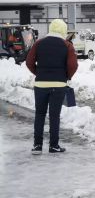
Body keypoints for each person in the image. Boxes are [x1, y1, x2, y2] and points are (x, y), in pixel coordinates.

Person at [25, 19, 78, 154]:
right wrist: (66, 77)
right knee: (54, 116)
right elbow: (73, 65)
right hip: (58, 85)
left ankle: (37, 146)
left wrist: (39, 73)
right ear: (63, 30)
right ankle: (53, 146)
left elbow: (29, 61)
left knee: (40, 114)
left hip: (40, 84)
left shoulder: (39, 43)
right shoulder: (67, 45)